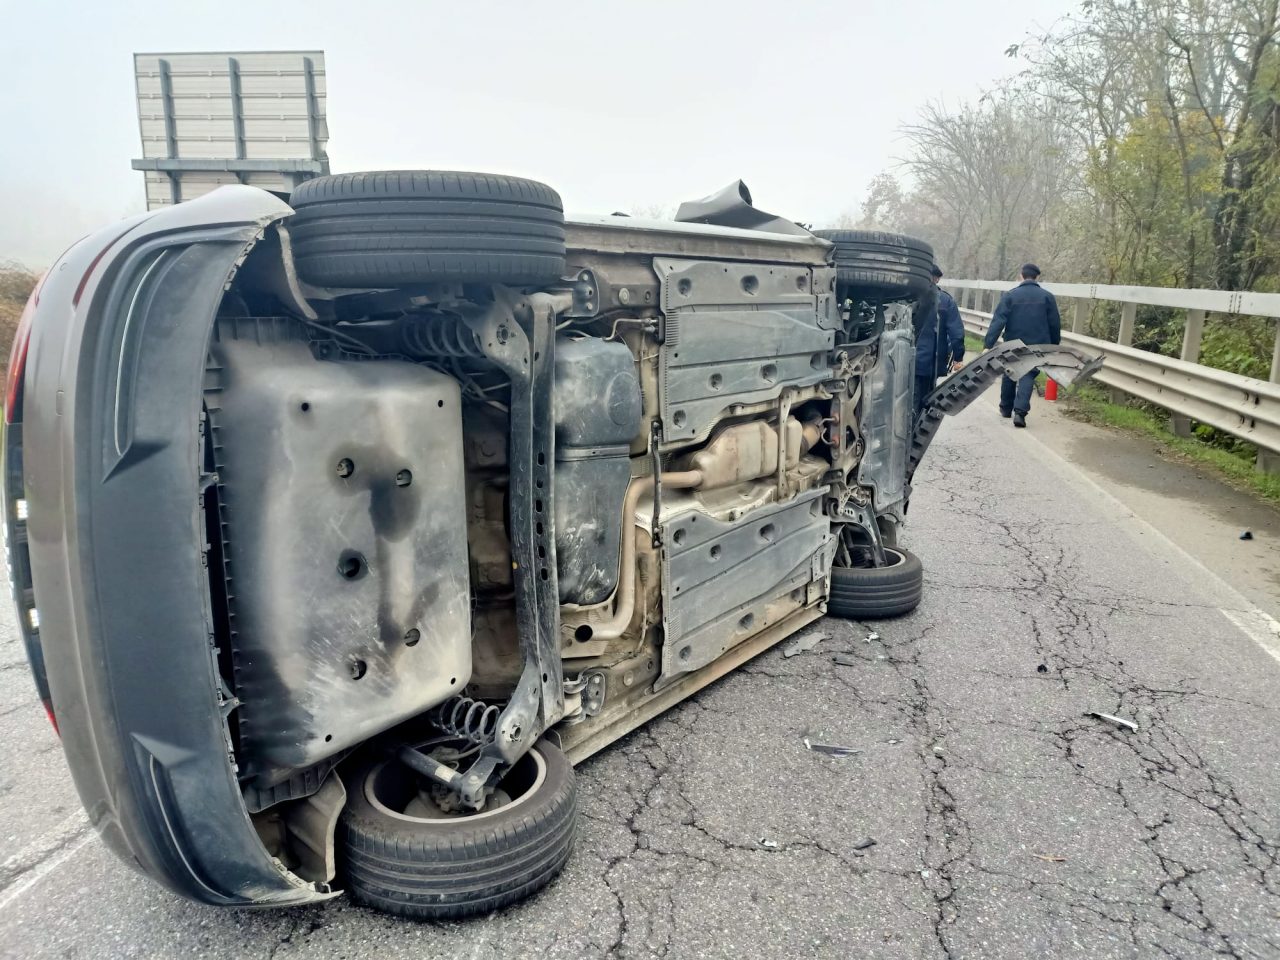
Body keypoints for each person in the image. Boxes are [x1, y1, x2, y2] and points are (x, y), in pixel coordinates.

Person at [983, 262, 1061, 428]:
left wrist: (988, 344)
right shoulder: (1047, 297)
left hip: (1013, 342)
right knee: (1028, 373)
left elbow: (998, 321)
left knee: (1010, 371)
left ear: (1021, 276)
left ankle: (1005, 408)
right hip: (1038, 344)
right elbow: (1054, 324)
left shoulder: (1010, 295)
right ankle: (1020, 413)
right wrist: (1054, 345)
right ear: (1037, 277)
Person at [914, 264, 965, 419]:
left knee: (907, 394)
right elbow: (956, 333)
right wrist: (958, 357)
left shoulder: (906, 296)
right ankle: (916, 429)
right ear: (937, 278)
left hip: (903, 358)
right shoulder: (946, 300)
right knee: (926, 396)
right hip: (932, 361)